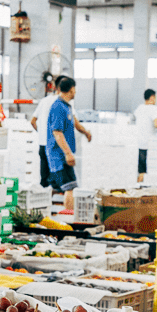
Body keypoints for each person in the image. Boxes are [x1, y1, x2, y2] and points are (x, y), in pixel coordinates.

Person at [46, 75, 91, 213]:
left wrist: (86, 132)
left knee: (63, 187)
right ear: (71, 89)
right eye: (75, 89)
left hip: (62, 155)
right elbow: (57, 132)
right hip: (59, 156)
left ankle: (56, 215)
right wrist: (67, 153)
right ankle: (69, 218)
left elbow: (75, 122)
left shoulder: (66, 107)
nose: (75, 91)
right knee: (70, 187)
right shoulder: (58, 107)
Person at [134, 88, 157, 182]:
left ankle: (137, 188)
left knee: (140, 170)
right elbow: (156, 124)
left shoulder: (139, 108)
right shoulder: (154, 109)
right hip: (149, 145)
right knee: (148, 171)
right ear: (152, 97)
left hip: (138, 143)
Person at [30, 72, 56, 187]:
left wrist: (41, 132)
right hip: (55, 143)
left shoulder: (43, 101)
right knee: (56, 174)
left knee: (44, 173)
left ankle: (44, 198)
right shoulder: (61, 103)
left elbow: (32, 121)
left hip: (42, 143)